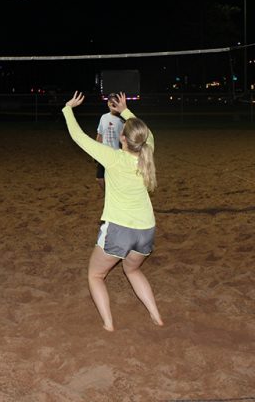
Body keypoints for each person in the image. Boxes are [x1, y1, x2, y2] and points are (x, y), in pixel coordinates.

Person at [63, 91, 163, 331]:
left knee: (95, 275)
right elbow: (148, 134)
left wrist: (68, 109)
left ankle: (108, 324)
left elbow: (78, 136)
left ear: (123, 139)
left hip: (120, 229)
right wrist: (125, 110)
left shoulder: (113, 158)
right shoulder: (148, 150)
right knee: (132, 269)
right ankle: (156, 316)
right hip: (146, 229)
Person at [95, 93, 124, 190]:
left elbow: (125, 140)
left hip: (115, 154)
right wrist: (96, 151)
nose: (113, 103)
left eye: (115, 102)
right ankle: (107, 194)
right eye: (111, 101)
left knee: (115, 178)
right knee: (99, 179)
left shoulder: (122, 120)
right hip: (104, 153)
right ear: (108, 104)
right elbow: (100, 135)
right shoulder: (103, 117)